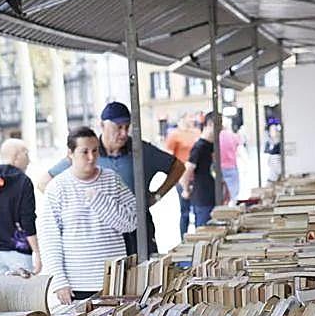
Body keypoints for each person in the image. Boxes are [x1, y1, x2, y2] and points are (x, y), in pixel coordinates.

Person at [38, 127, 138, 304]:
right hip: (77, 285)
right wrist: (59, 281)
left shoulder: (112, 179)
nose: (91, 157)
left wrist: (99, 200)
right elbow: (49, 239)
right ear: (70, 153)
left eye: (95, 151)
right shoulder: (57, 187)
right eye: (84, 152)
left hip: (115, 279)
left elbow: (131, 223)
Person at [94, 101, 185, 257]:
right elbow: (46, 181)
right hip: (103, 233)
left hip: (139, 227)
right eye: (118, 127)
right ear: (102, 125)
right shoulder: (89, 152)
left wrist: (157, 195)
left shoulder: (141, 149)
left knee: (145, 274)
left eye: (126, 127)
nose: (123, 133)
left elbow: (178, 167)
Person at [0, 138, 40, 274]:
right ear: (17, 156)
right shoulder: (23, 181)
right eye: (26, 154)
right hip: (18, 252)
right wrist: (37, 252)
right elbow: (27, 219)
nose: (29, 160)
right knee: (22, 294)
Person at [182, 114, 224, 231]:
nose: (221, 128)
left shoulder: (212, 145)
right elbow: (186, 170)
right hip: (203, 199)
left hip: (213, 197)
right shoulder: (199, 147)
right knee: (204, 234)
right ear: (210, 124)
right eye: (219, 124)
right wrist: (186, 190)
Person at [164, 112, 202, 234]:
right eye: (190, 117)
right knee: (185, 210)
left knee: (197, 208)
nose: (192, 119)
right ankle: (184, 238)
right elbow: (169, 156)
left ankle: (198, 236)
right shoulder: (174, 135)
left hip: (196, 175)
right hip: (181, 176)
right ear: (182, 119)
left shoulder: (196, 132)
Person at [219, 122, 242, 203]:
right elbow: (239, 149)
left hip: (219, 168)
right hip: (231, 166)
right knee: (233, 194)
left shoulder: (215, 137)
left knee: (221, 193)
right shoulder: (232, 135)